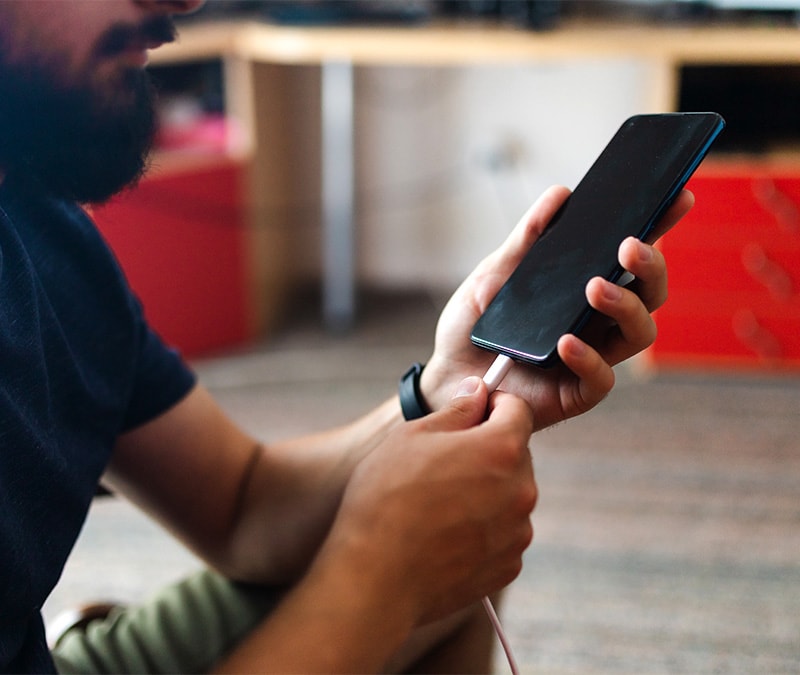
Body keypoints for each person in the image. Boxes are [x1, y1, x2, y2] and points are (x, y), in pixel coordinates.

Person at [0, 1, 693, 673]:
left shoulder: (47, 237)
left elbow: (243, 505)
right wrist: (379, 578)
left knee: (446, 569)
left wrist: (440, 391)